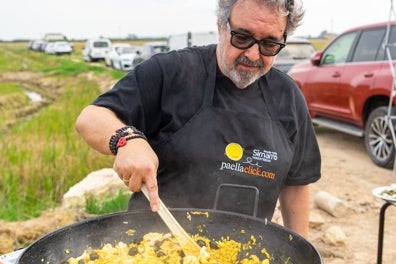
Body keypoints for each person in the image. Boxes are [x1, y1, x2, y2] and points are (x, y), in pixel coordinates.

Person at [75, 0, 321, 237]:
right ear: (220, 27)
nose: (254, 55)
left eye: (269, 44)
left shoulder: (288, 96)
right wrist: (126, 140)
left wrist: (300, 252)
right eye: (243, 38)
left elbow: (296, 183)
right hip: (151, 247)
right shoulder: (170, 72)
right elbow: (91, 117)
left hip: (250, 258)